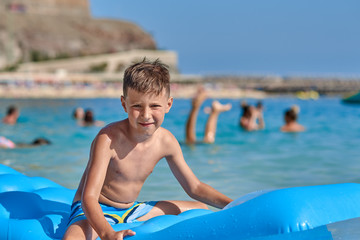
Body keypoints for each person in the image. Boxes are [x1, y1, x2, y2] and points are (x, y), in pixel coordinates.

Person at [63, 59, 232, 240]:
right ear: (124, 104)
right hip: (96, 209)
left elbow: (195, 187)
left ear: (168, 105)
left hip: (133, 209)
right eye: (137, 106)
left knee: (200, 208)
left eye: (154, 106)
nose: (146, 115)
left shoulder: (166, 141)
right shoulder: (108, 139)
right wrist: (107, 233)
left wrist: (233, 205)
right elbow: (89, 197)